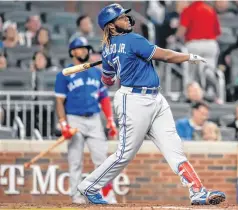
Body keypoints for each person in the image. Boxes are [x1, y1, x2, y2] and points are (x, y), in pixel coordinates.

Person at [77, 3, 226, 205]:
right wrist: (188, 57)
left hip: (155, 98)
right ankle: (89, 186)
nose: (126, 19)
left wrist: (109, 62)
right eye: (121, 18)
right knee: (124, 154)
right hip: (134, 101)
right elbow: (164, 55)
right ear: (111, 26)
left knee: (174, 148)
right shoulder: (132, 39)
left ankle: (197, 191)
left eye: (125, 16)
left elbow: (108, 80)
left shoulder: (108, 48)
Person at [54, 37, 118, 204]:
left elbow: (104, 98)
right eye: (80, 48)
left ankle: (107, 195)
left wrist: (110, 120)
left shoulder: (97, 72)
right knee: (75, 160)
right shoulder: (65, 74)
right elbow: (59, 101)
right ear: (72, 52)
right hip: (74, 118)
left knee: (102, 160)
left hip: (94, 119)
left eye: (85, 48)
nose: (84, 51)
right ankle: (76, 196)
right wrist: (63, 124)